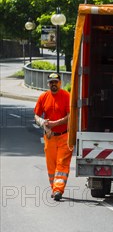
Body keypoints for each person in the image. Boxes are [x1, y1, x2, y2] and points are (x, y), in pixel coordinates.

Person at [33, 72, 72, 201]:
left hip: (64, 136)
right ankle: (54, 188)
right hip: (49, 137)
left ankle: (58, 190)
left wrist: (56, 123)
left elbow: (71, 116)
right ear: (48, 84)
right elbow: (36, 116)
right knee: (51, 166)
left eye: (56, 82)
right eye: (51, 82)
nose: (53, 84)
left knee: (62, 164)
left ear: (60, 83)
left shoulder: (66, 96)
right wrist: (43, 123)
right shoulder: (43, 97)